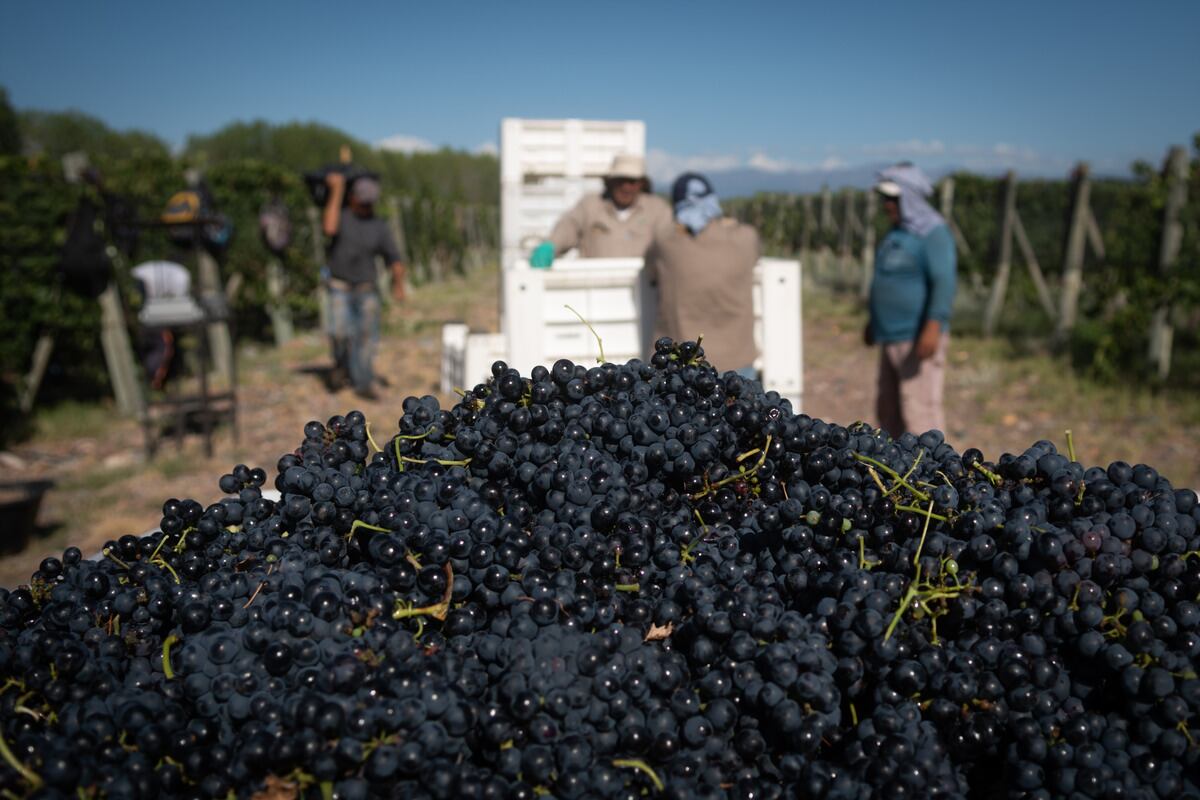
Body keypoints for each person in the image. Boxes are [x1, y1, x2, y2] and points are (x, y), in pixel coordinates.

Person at [865, 163, 957, 438]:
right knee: (888, 410)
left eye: (892, 198)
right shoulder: (898, 233)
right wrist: (874, 321)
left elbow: (944, 280)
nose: (887, 205)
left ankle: (932, 475)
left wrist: (933, 327)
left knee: (919, 412)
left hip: (915, 336)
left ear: (910, 197)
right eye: (885, 199)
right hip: (890, 337)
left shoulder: (933, 233)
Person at [645, 173, 759, 376]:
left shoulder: (665, 242)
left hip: (683, 366)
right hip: (738, 361)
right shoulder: (746, 238)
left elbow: (651, 272)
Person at [322, 171, 405, 399]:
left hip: (366, 288)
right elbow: (328, 228)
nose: (366, 206)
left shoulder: (378, 226)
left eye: (370, 203)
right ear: (352, 198)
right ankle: (340, 365)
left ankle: (363, 381)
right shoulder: (342, 216)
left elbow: (394, 257)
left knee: (367, 337)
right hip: (339, 286)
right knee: (339, 332)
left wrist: (399, 283)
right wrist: (336, 190)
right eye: (362, 201)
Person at [529, 154, 671, 267]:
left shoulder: (658, 210)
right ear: (610, 182)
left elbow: (670, 243)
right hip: (596, 288)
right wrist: (551, 245)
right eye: (621, 180)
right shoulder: (590, 205)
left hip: (644, 292)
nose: (626, 187)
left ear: (641, 184)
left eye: (632, 181)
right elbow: (569, 226)